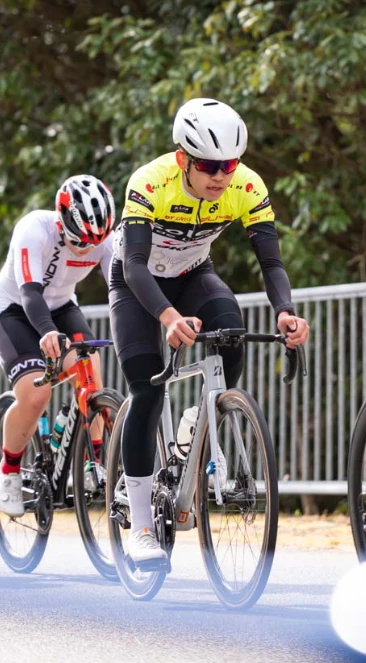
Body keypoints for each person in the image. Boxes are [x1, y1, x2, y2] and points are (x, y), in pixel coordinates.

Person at [109, 98, 309, 565]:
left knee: (231, 331)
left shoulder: (247, 186)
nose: (221, 176)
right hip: (137, 281)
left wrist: (285, 311)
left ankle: (194, 427)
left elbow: (271, 262)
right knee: (147, 388)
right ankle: (141, 527)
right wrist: (168, 317)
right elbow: (135, 265)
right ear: (183, 159)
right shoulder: (150, 181)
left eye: (230, 164)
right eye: (209, 166)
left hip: (193, 274)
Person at [0, 175, 117, 517]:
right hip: (14, 309)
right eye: (80, 240)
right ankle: (9, 469)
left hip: (61, 307)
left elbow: (121, 291)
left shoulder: (104, 240)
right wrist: (46, 332)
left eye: (96, 242)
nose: (87, 248)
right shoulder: (34, 229)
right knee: (36, 395)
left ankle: (93, 462)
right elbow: (30, 293)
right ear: (62, 221)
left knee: (91, 375)